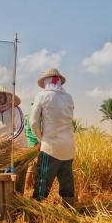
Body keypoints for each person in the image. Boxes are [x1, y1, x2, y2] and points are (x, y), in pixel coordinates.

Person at [29, 68, 76, 206]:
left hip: (51, 147)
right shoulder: (68, 97)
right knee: (66, 180)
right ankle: (69, 209)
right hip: (68, 147)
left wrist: (40, 139)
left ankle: (37, 209)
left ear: (45, 81)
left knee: (43, 180)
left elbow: (33, 122)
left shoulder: (42, 95)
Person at [24, 103, 40, 192]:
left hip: (33, 142)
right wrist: (39, 141)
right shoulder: (34, 112)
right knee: (31, 168)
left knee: (34, 168)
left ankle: (30, 190)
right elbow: (35, 127)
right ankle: (27, 190)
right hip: (34, 143)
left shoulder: (32, 112)